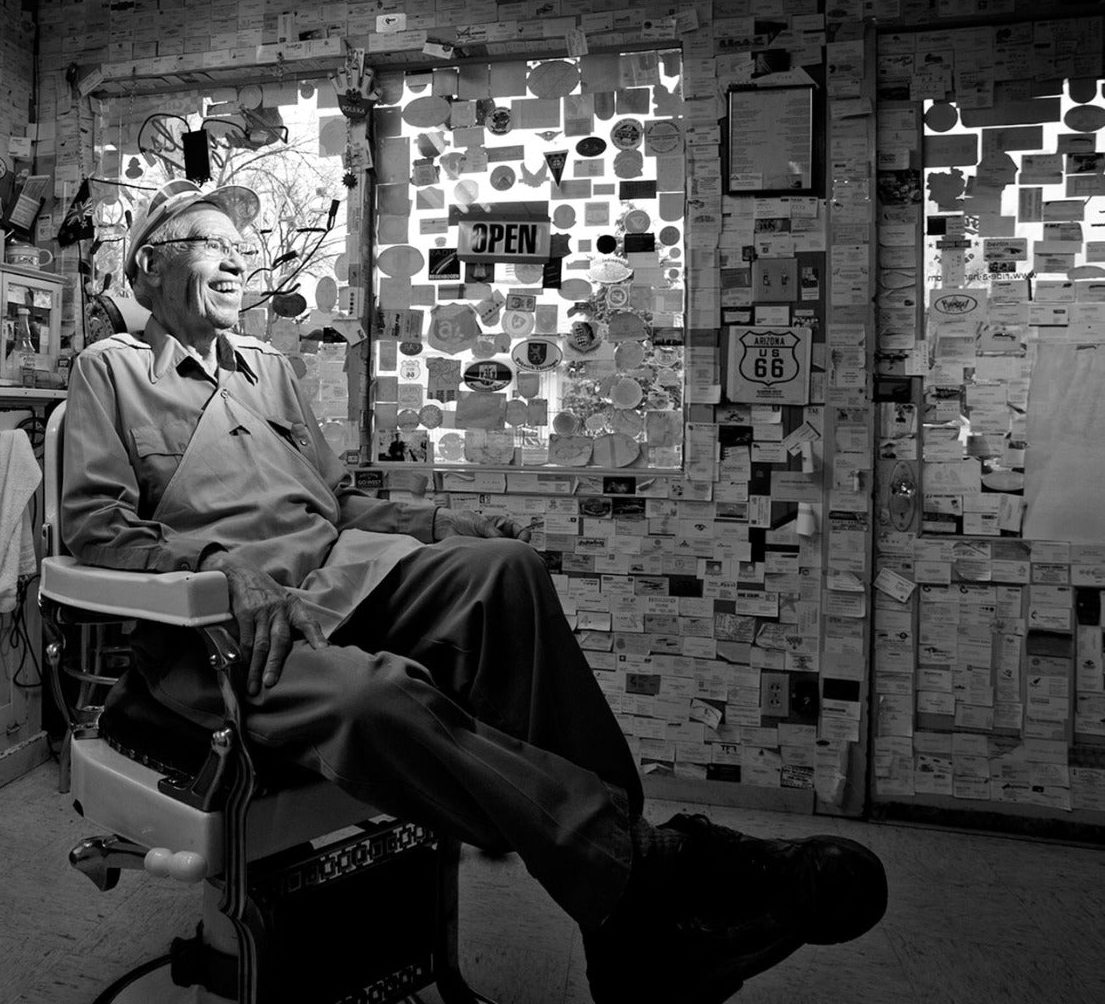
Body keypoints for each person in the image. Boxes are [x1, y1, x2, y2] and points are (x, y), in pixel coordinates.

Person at [61, 186, 889, 1004]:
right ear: (147, 271)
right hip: (223, 626)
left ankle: (620, 897)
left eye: (242, 246)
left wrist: (439, 519)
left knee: (503, 568)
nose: (238, 258)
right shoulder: (113, 370)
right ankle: (643, 881)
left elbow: (331, 503)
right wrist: (218, 566)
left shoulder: (269, 368)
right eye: (212, 242)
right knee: (373, 695)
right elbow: (95, 527)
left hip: (337, 578)